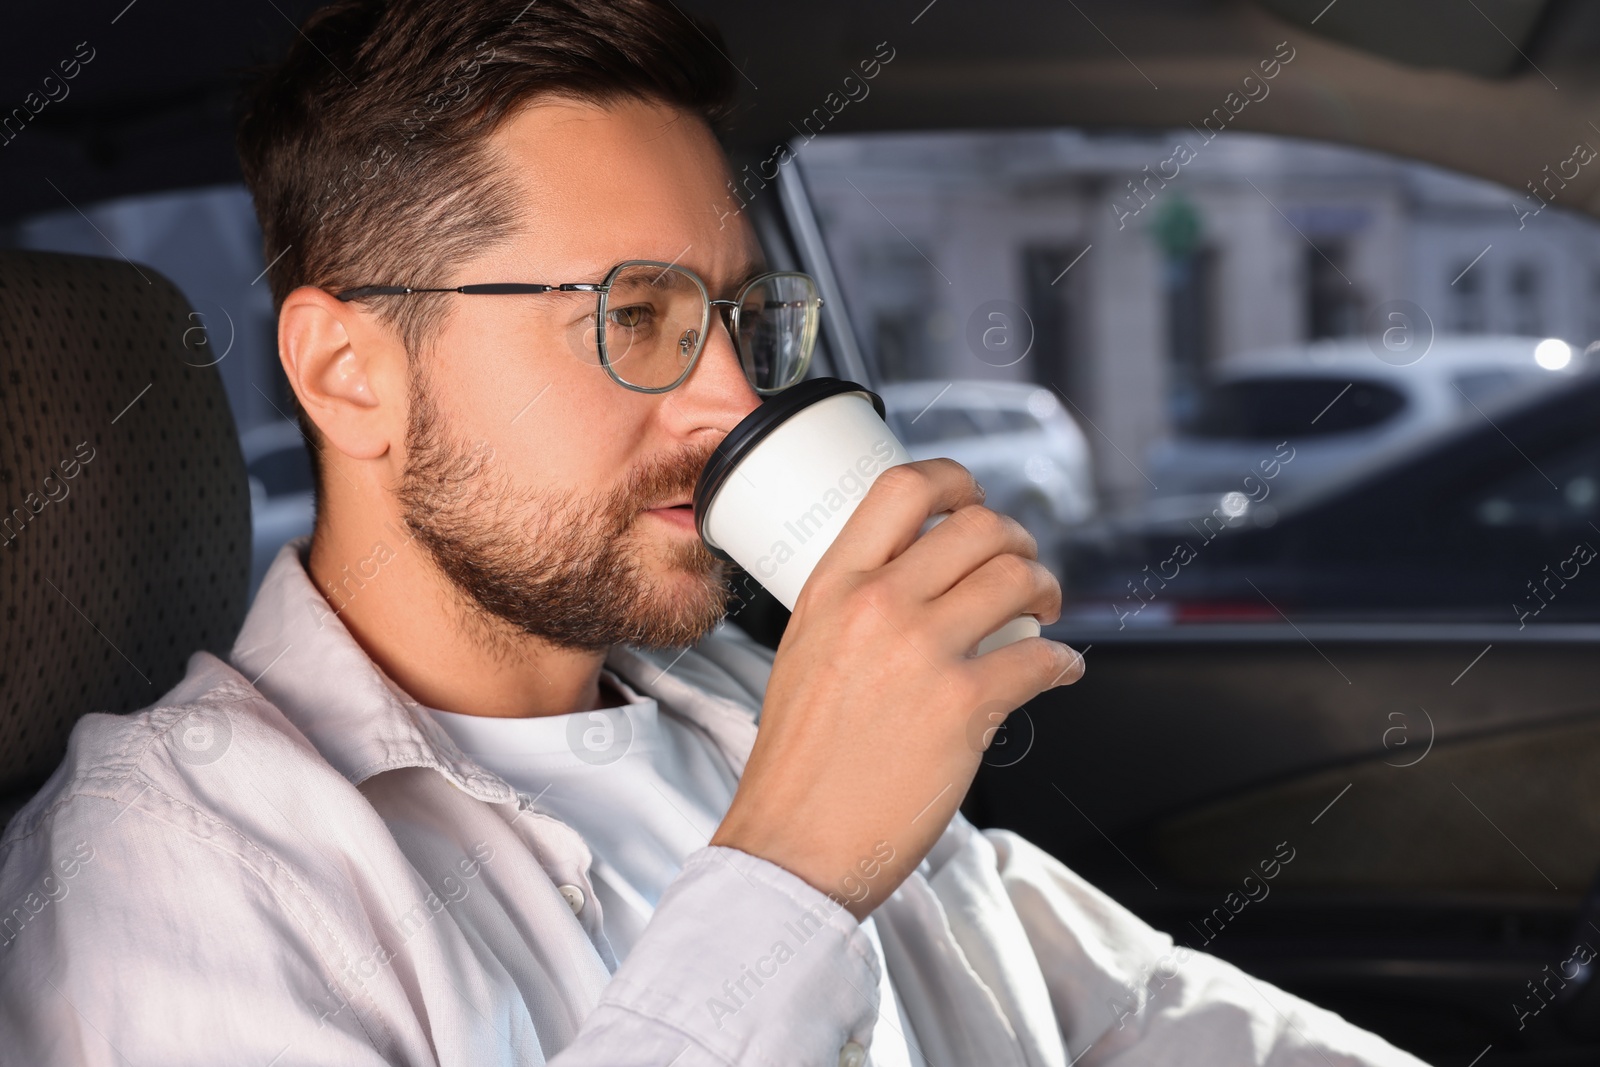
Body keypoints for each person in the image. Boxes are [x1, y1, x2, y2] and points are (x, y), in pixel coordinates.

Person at [0, 1, 1429, 1064]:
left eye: (744, 317)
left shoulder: (736, 696)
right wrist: (797, 869)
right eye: (636, 315)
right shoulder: (167, 874)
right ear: (346, 374)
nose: (736, 397)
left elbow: (1130, 1015)